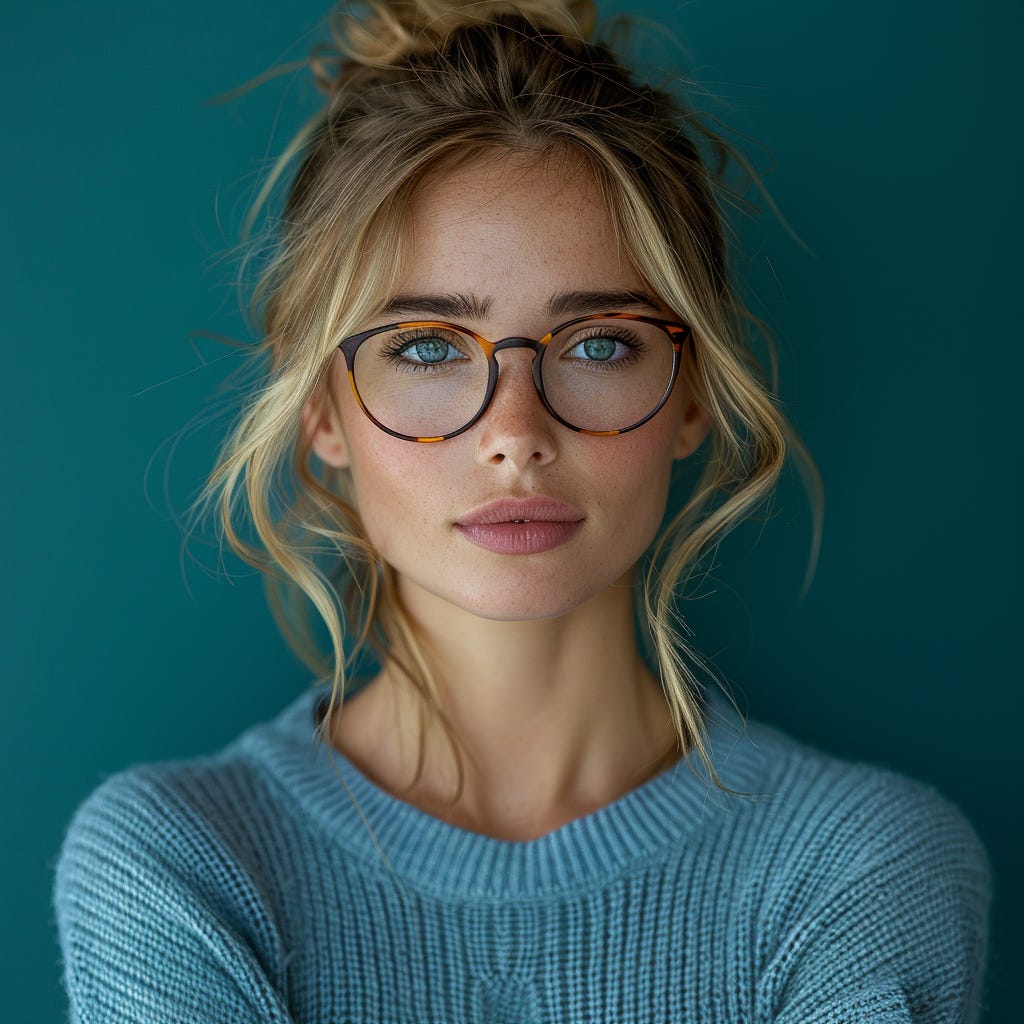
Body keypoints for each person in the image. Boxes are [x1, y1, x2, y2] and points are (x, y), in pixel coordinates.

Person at [52, 2, 991, 1021]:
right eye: (424, 347)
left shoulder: (861, 867)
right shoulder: (185, 864)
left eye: (595, 345)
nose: (514, 432)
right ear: (320, 407)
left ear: (689, 394)